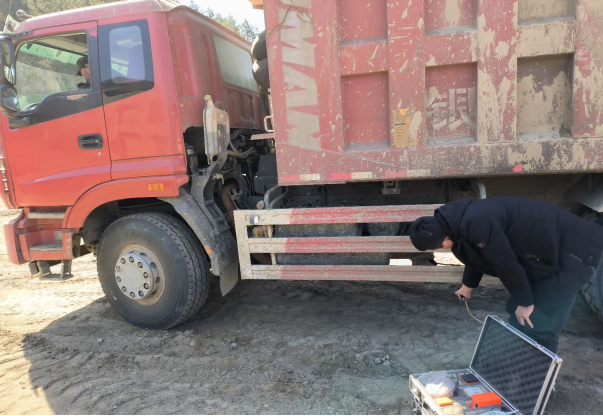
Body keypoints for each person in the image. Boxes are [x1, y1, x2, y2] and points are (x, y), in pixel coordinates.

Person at [408, 196, 603, 353]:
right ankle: (517, 365)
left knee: (541, 319)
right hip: (543, 255)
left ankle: (538, 379)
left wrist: (526, 303)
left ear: (445, 241)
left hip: (573, 251)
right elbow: (477, 253)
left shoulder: (476, 222)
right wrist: (468, 286)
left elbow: (506, 265)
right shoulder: (457, 221)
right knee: (515, 311)